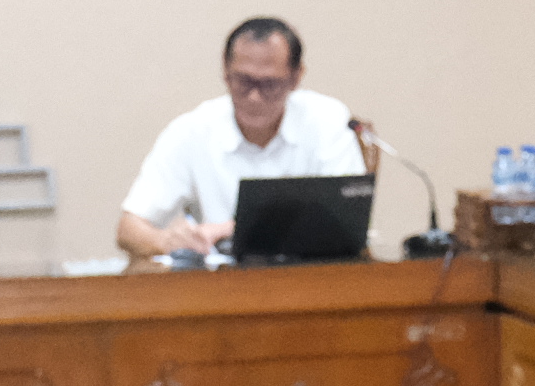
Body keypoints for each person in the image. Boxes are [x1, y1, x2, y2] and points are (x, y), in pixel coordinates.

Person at [117, 16, 369, 259]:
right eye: (243, 81)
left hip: (312, 276)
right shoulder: (192, 130)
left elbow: (346, 222)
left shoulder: (326, 121)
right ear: (225, 72)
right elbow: (129, 228)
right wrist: (166, 241)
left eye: (270, 84)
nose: (254, 97)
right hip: (222, 282)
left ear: (296, 77)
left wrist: (229, 230)